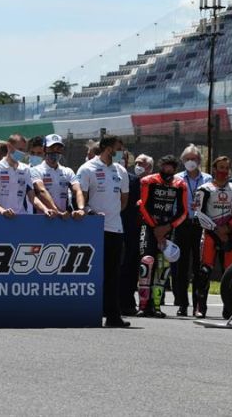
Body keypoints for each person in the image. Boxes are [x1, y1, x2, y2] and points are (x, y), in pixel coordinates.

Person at [73, 134, 131, 327]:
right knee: (93, 272)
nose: (121, 152)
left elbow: (124, 201)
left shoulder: (121, 171)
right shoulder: (88, 168)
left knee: (114, 273)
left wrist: (111, 213)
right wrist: (90, 212)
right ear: (108, 148)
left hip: (115, 227)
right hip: (94, 228)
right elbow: (81, 197)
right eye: (118, 148)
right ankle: (89, 311)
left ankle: (113, 315)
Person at [193, 156, 232, 319]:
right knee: (204, 271)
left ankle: (229, 308)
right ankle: (200, 307)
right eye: (220, 167)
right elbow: (198, 213)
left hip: (229, 235)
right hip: (210, 234)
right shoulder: (204, 189)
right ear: (214, 169)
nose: (223, 171)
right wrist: (216, 229)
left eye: (226, 168)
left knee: (230, 273)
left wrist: (228, 227)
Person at [138, 155, 188, 318]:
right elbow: (143, 206)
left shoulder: (180, 184)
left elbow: (183, 212)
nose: (168, 170)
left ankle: (157, 305)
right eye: (165, 166)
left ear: (175, 169)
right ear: (160, 166)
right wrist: (155, 227)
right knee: (147, 262)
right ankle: (143, 305)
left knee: (163, 265)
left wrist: (167, 227)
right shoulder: (148, 181)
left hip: (168, 228)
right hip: (149, 226)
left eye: (171, 167)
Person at [173, 144, 211, 317]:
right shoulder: (177, 179)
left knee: (200, 267)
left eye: (194, 159)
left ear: (199, 161)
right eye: (187, 159)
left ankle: (199, 304)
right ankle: (182, 304)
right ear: (182, 161)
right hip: (182, 224)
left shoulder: (208, 179)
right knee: (181, 267)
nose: (191, 162)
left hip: (201, 226)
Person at [0, 134, 52, 217]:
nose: (22, 153)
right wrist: (2, 211)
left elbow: (32, 197)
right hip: (1, 218)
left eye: (24, 150)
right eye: (20, 149)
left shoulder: (25, 169)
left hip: (21, 218)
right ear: (9, 146)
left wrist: (45, 209)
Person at [119, 152, 151, 315]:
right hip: (109, 226)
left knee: (130, 265)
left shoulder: (134, 180)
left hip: (130, 228)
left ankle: (127, 301)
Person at [29, 134, 81, 217]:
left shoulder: (67, 171)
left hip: (63, 218)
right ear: (45, 149)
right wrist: (57, 211)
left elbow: (78, 190)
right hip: (42, 219)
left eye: (58, 148)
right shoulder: (35, 170)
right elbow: (41, 191)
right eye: (51, 148)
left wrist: (81, 209)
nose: (55, 151)